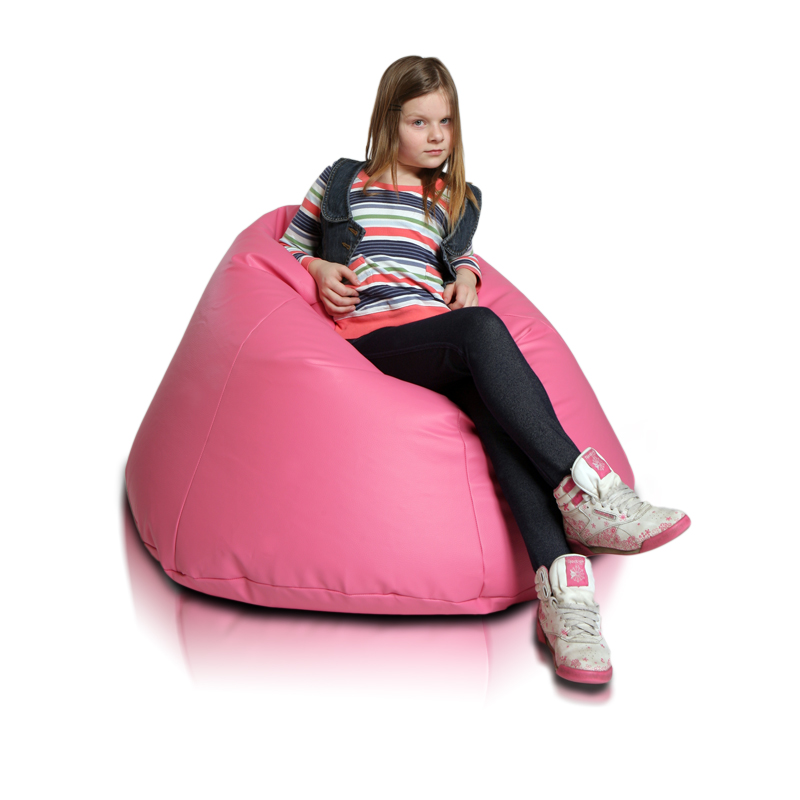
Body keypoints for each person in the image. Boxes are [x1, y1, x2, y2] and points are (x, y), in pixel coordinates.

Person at [279, 55, 690, 685]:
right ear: (388, 121)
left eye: (445, 121)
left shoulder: (452, 197)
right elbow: (285, 249)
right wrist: (317, 268)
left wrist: (466, 275)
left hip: (439, 339)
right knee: (481, 328)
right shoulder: (342, 182)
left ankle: (567, 604)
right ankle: (588, 490)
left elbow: (461, 257)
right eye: (419, 122)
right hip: (373, 341)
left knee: (500, 424)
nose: (436, 135)